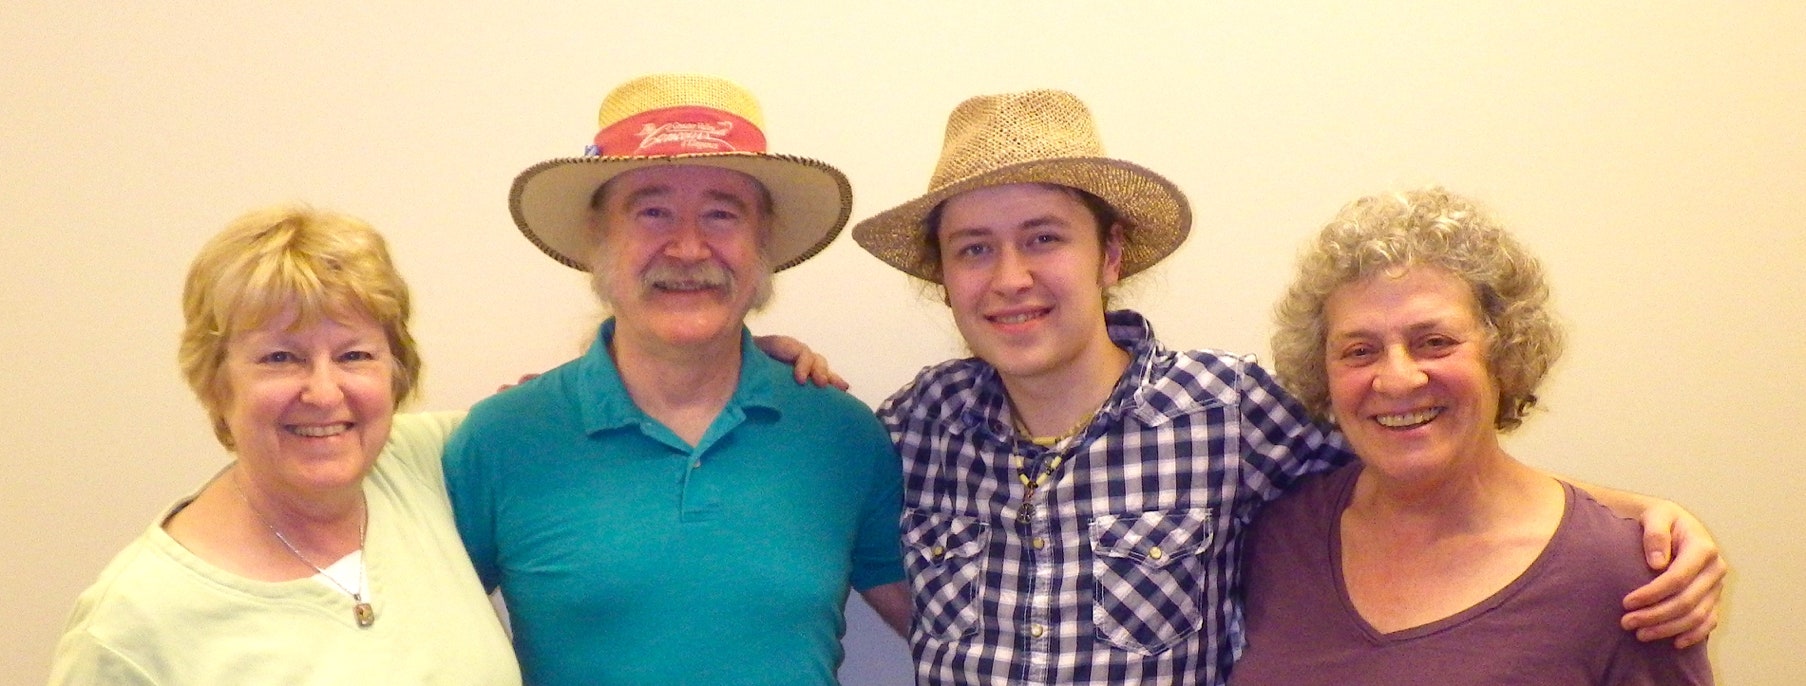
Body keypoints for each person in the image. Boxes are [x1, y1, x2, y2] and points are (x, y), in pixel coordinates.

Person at [845, 90, 1723, 685]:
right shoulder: (916, 428)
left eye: (1043, 238)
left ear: (1110, 255)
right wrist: (766, 354)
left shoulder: (1232, 416)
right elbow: (789, 477)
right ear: (944, 277)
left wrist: (1635, 516)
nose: (1009, 279)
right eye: (973, 249)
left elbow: (1426, 444)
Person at [442, 73, 911, 686]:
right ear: (598, 240)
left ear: (762, 245)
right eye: (653, 211)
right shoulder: (502, 437)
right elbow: (414, 637)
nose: (688, 248)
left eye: (721, 215)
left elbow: (954, 629)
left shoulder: (842, 432)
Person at [1230, 187, 1713, 683]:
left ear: (1503, 352)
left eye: (1434, 342)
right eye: (1359, 350)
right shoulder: (1279, 536)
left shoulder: (1626, 577)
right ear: (1322, 372)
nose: (1398, 379)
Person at [48, 206, 520, 684]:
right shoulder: (129, 632)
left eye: (354, 355)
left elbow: (560, 429)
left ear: (397, 371)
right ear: (216, 380)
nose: (324, 393)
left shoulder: (424, 463)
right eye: (280, 358)